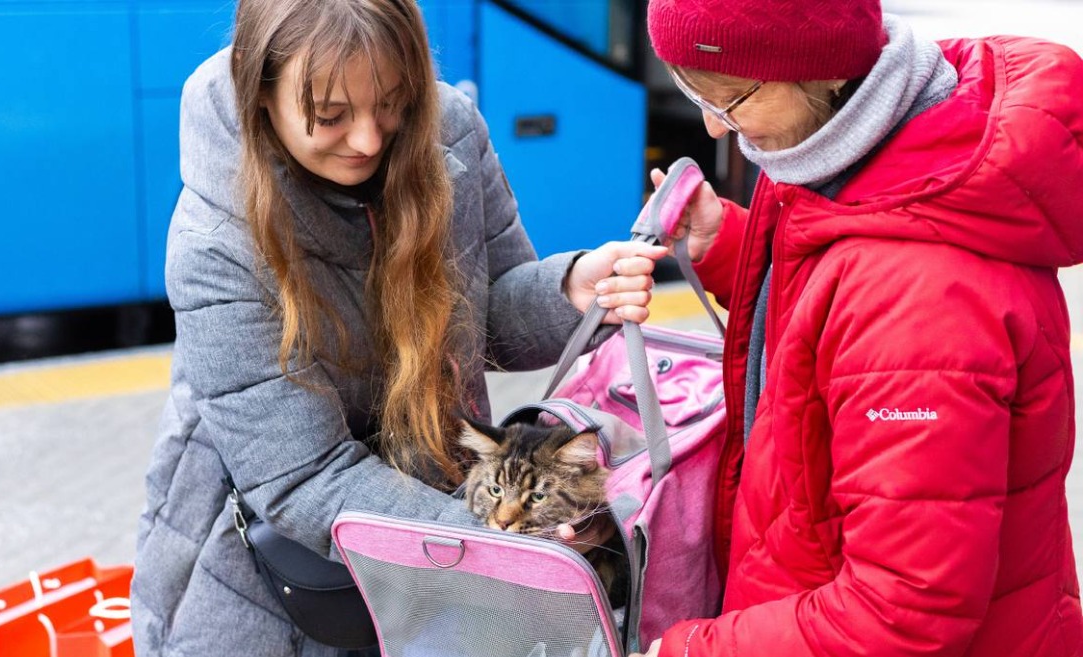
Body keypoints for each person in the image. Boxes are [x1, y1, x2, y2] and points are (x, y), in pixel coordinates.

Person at [128, 1, 672, 655]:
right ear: (260, 90)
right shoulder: (217, 243)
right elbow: (303, 478)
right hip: (276, 584)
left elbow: (485, 313)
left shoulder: (450, 129)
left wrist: (569, 290)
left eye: (390, 103)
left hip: (447, 547)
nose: (367, 140)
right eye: (330, 115)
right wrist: (497, 541)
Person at [634, 0, 1083, 655]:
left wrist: (689, 649)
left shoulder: (922, 302)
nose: (711, 124)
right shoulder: (864, 145)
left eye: (730, 98)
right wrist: (729, 243)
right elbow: (840, 291)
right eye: (695, 94)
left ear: (822, 70)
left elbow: (903, 610)